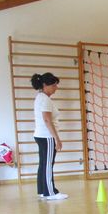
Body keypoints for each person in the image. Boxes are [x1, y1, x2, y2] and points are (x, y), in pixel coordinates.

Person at [31, 72, 68, 201]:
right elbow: (47, 120)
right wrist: (56, 138)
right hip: (47, 136)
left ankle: (43, 191)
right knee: (47, 165)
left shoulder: (40, 97)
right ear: (45, 85)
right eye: (54, 85)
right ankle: (50, 193)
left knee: (43, 163)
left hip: (41, 135)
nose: (56, 88)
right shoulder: (45, 99)